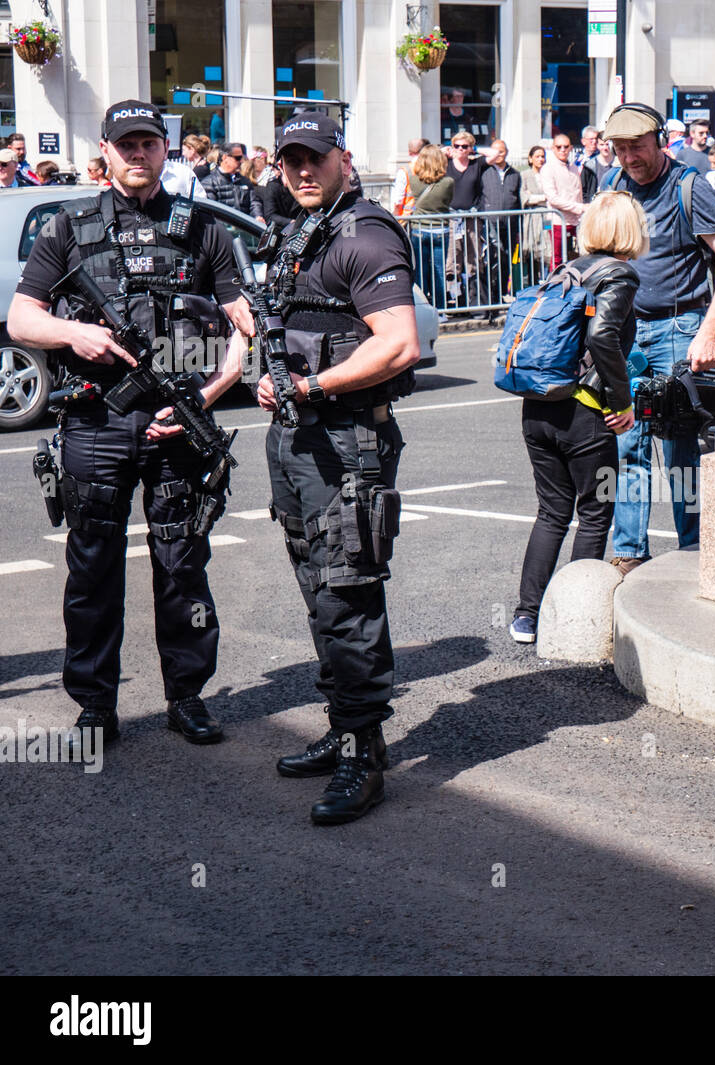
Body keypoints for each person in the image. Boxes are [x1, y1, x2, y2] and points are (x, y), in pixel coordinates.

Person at [6, 99, 252, 755]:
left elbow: (243, 323)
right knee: (91, 571)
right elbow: (22, 318)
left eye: (148, 144)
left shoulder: (200, 229)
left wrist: (216, 389)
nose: (138, 154)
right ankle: (95, 704)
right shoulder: (68, 227)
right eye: (126, 144)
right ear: (106, 152)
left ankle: (187, 696)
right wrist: (72, 332)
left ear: (163, 151)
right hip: (94, 422)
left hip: (177, 422)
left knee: (182, 563)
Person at [258, 112, 420, 825]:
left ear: (343, 160)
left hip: (346, 440)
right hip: (297, 438)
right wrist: (274, 380)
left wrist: (312, 387)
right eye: (291, 160)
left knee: (347, 594)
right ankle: (343, 725)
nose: (302, 171)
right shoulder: (302, 228)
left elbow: (399, 343)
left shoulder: (367, 232)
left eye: (315, 159)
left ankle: (365, 753)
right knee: (317, 588)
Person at [602, 103, 715, 573]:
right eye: (621, 150)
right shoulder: (614, 186)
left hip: (679, 328)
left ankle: (691, 554)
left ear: (660, 142)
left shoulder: (691, 187)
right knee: (628, 442)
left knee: (680, 448)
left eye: (637, 148)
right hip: (628, 330)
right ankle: (628, 553)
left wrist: (707, 333)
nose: (629, 158)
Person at [509, 191, 645, 644]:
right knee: (594, 514)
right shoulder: (620, 275)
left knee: (551, 512)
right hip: (586, 414)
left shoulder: (565, 271)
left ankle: (526, 616)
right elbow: (603, 337)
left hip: (539, 407)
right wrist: (622, 402)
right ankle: (573, 618)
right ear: (630, 230)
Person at [406, 144, 454, 310]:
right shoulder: (448, 182)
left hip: (419, 229)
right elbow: (447, 202)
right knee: (439, 271)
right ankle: (440, 309)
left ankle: (422, 307)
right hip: (440, 230)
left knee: (420, 270)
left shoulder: (413, 180)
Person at [446, 130, 488, 311]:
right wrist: (445, 150)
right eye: (457, 146)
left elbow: (497, 154)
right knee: (452, 259)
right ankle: (453, 299)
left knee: (473, 259)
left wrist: (476, 149)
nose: (461, 149)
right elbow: (426, 157)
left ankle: (475, 301)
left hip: (471, 218)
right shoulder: (446, 164)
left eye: (465, 146)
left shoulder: (475, 164)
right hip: (451, 219)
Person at [478, 139, 522, 308]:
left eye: (501, 151)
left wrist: (518, 227)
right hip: (490, 223)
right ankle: (491, 295)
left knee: (506, 259)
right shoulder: (484, 171)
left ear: (507, 153)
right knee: (492, 258)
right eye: (495, 151)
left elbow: (517, 199)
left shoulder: (514, 174)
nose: (498, 155)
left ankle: (502, 292)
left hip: (509, 223)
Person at [539, 133, 586, 267]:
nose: (562, 150)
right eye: (559, 147)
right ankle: (555, 286)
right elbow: (553, 198)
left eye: (565, 147)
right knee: (557, 259)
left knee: (575, 258)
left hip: (575, 221)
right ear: (553, 148)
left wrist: (580, 211)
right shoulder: (548, 169)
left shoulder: (574, 168)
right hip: (557, 221)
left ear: (571, 148)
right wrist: (579, 207)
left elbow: (578, 193)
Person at [521, 145, 552, 283]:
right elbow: (524, 197)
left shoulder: (548, 174)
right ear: (531, 158)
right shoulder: (525, 175)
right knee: (532, 248)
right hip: (531, 218)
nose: (540, 159)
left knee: (546, 247)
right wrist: (541, 198)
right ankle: (533, 282)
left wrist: (536, 197)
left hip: (546, 216)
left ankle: (546, 279)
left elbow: (551, 195)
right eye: (537, 156)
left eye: (542, 156)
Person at [201, 142, 258, 216]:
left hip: (243, 226)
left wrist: (258, 216)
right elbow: (210, 212)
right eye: (237, 158)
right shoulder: (209, 183)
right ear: (225, 157)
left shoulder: (245, 181)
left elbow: (254, 203)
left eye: (242, 158)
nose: (241, 161)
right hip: (223, 226)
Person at [391, 137, 431, 218]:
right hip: (427, 215)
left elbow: (398, 199)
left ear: (409, 152)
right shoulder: (431, 167)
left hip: (408, 216)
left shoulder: (404, 171)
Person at [580, 136, 616, 202]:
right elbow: (583, 190)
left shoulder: (619, 164)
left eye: (607, 144)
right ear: (597, 146)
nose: (605, 148)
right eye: (602, 145)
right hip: (595, 205)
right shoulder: (589, 166)